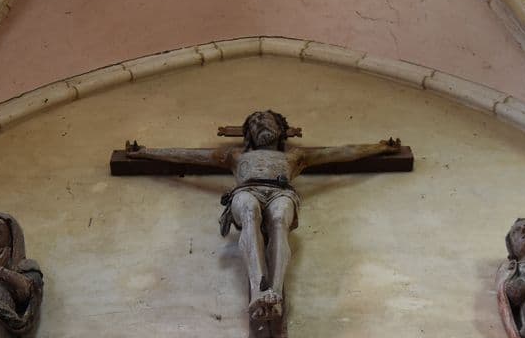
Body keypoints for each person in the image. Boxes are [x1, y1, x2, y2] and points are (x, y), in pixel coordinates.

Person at [126, 110, 400, 320]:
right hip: (247, 191)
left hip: (281, 192)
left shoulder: (296, 156)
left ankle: (274, 293)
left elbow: (342, 152)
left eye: (266, 122)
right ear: (248, 135)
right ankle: (259, 290)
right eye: (255, 126)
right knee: (248, 211)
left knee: (280, 219)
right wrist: (146, 153)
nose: (261, 127)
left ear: (281, 130)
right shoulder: (234, 156)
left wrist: (380, 148)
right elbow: (188, 156)